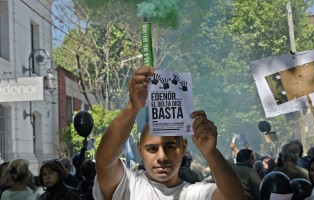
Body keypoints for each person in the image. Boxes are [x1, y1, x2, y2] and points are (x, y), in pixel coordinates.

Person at [93, 66, 244, 200]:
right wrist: (132, 107)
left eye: (170, 147)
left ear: (184, 146)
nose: (162, 157)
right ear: (139, 149)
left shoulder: (196, 193)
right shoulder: (128, 185)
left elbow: (235, 197)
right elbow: (104, 161)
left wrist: (211, 152)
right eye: (152, 149)